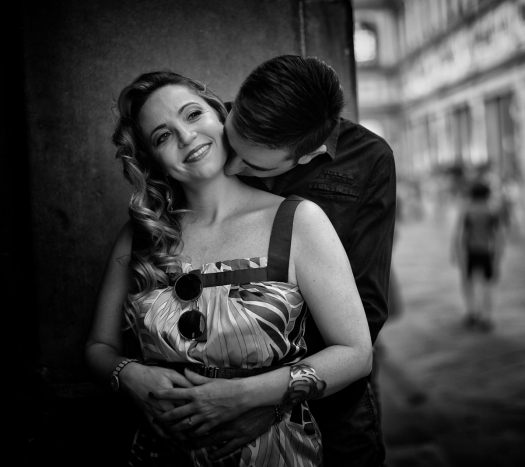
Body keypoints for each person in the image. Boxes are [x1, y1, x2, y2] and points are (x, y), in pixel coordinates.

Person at [84, 71, 373, 466]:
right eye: (163, 136)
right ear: (152, 159)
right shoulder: (140, 236)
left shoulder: (298, 221)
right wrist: (129, 375)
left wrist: (247, 397)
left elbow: (356, 354)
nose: (185, 137)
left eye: (192, 115)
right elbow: (98, 348)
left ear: (220, 116)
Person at [152, 56, 395, 466]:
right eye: (232, 143)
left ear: (308, 155)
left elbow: (365, 309)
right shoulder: (206, 128)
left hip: (332, 403)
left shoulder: (368, 158)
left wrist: (270, 403)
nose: (231, 166)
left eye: (253, 165)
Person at [451, 181, 503, 331]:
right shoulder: (491, 210)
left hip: (470, 251)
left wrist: (456, 253)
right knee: (487, 285)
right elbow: (499, 237)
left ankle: (472, 312)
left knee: (468, 284)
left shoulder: (467, 210)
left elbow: (458, 234)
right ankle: (486, 317)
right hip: (487, 251)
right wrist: (497, 259)